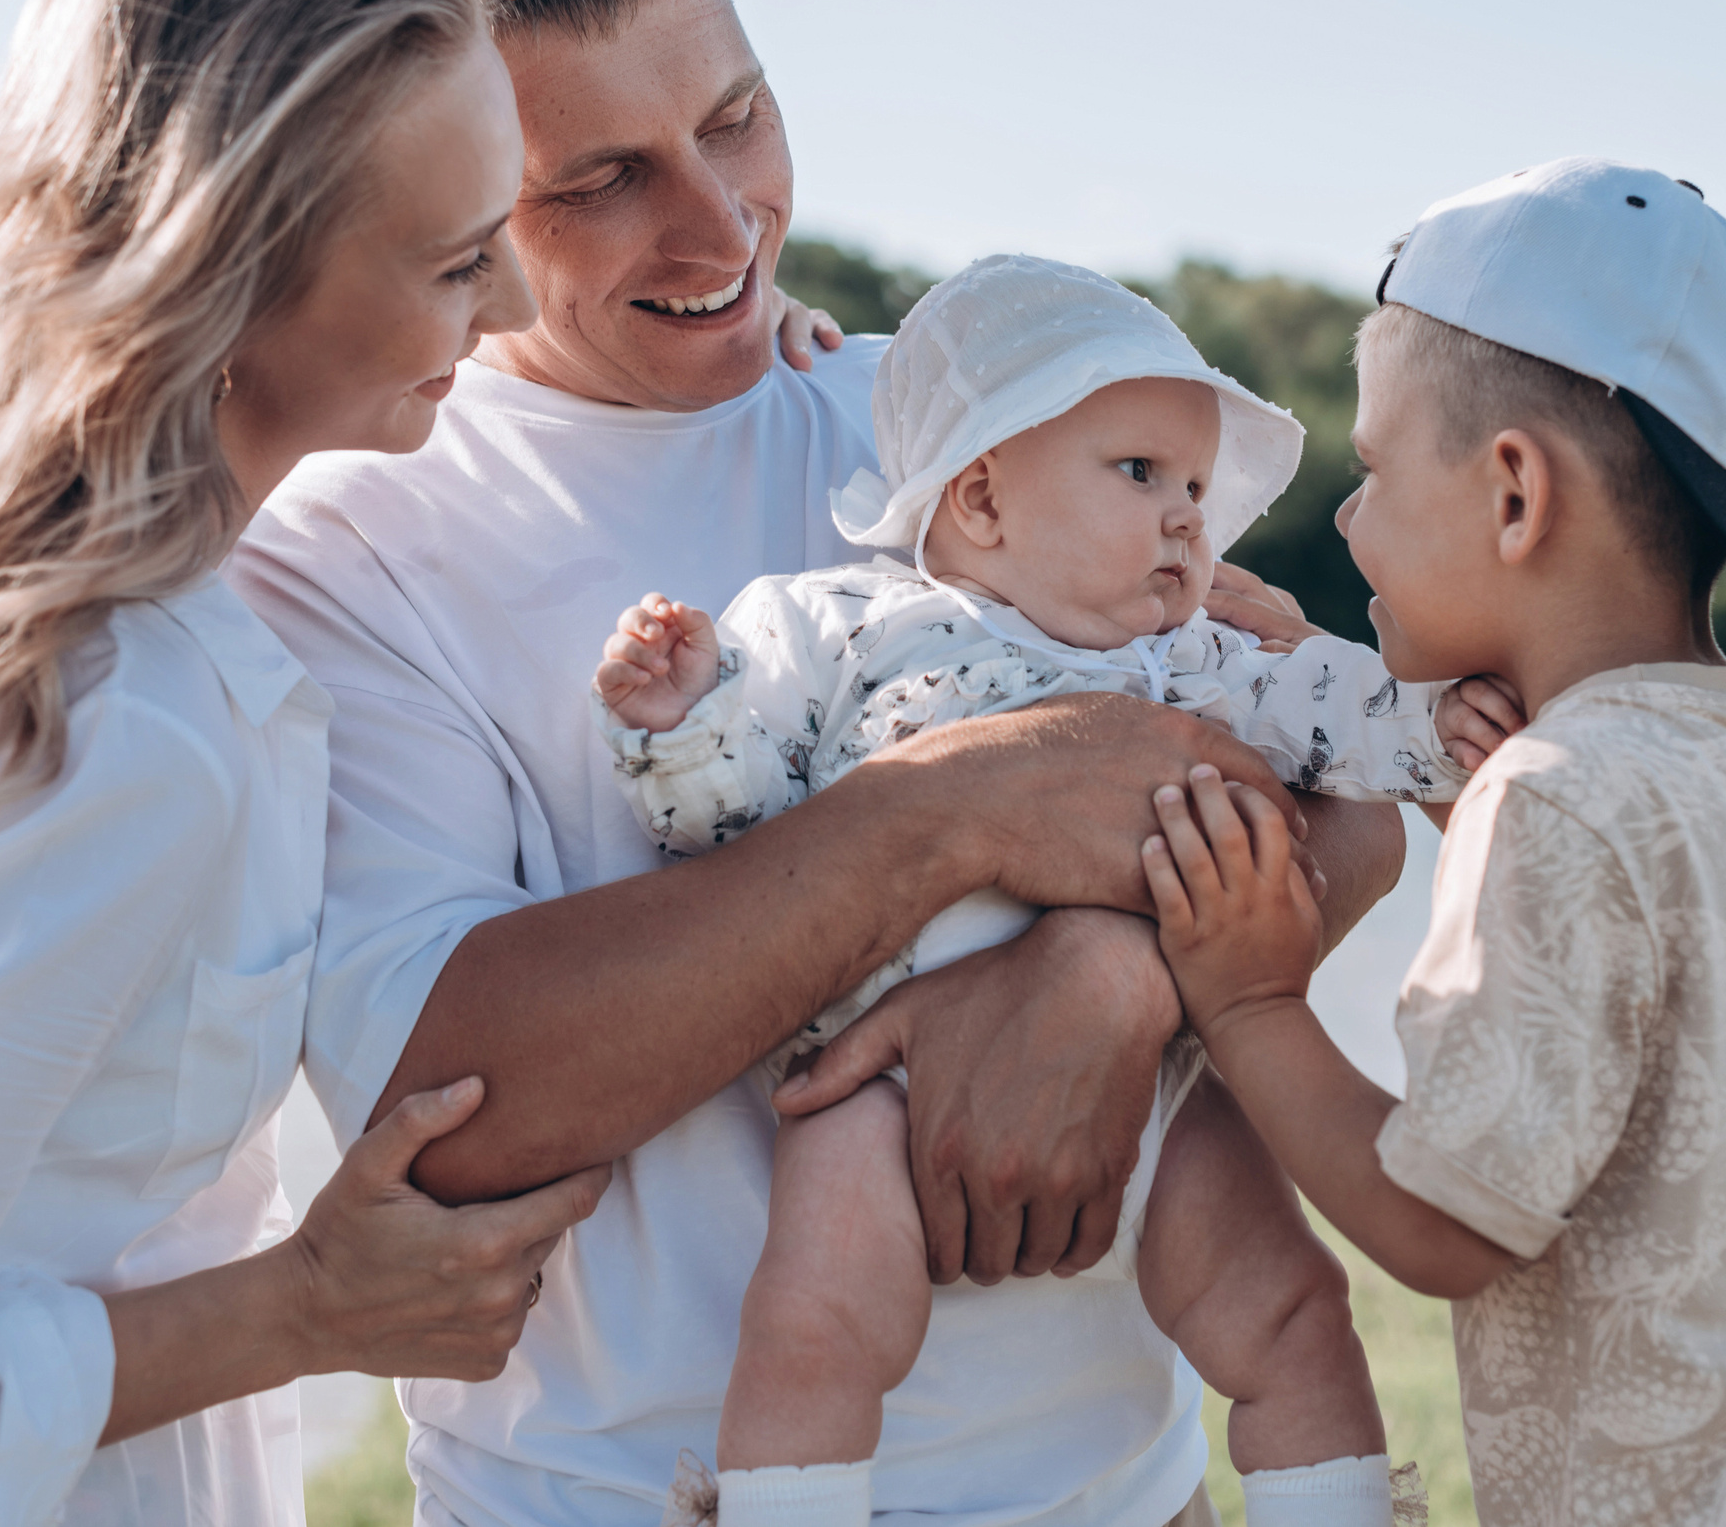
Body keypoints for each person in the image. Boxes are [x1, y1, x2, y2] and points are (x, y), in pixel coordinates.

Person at [228, 0, 1409, 1523]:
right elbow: (450, 1106)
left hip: (1121, 1492)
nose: (722, 223)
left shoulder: (967, 437)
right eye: (599, 176)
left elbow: (1338, 802)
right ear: (445, 183)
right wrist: (948, 815)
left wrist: (1109, 976)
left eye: (735, 118)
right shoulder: (349, 542)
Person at [0, 0, 613, 1527]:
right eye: (460, 259)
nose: (519, 308)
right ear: (232, 267)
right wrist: (303, 1309)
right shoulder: (123, 717)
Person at [1130, 158, 1726, 1524]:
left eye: (1370, 469)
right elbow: (1594, 924)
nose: (1351, 517)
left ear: (1515, 496)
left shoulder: (1556, 797)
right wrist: (1321, 669)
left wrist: (1250, 996)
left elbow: (1449, 1222)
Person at [593, 256, 1530, 1527]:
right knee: (813, 1325)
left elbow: (1327, 715)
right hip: (873, 1083)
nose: (1189, 518)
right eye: (1140, 474)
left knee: (1292, 1304)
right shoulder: (836, 626)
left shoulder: (1191, 658)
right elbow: (737, 828)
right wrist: (684, 712)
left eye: (1198, 486)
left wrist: (1433, 726)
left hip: (1164, 1073)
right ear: (978, 496)